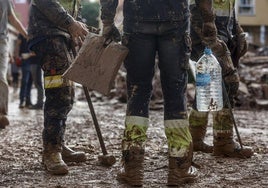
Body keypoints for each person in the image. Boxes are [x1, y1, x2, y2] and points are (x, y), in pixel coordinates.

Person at [100, 0, 217, 186]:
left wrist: (107, 21)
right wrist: (208, 20)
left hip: (137, 21)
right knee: (176, 92)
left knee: (137, 92)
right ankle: (179, 166)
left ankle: (132, 167)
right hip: (175, 21)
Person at [28, 0, 88, 175]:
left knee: (67, 93)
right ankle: (51, 151)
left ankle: (57, 143)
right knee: (59, 92)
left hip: (62, 35)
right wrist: (70, 23)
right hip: (48, 34)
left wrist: (76, 25)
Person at [188, 0, 253, 158]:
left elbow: (227, 8)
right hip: (206, 32)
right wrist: (209, 34)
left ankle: (194, 138)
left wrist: (238, 31)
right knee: (229, 83)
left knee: (207, 86)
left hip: (222, 33)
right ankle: (224, 142)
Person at [0, 0, 28, 129]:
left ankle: (1, 112)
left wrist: (26, 36)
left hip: (1, 43)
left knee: (0, 77)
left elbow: (13, 19)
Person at [14, 34, 33, 108]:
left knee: (30, 81)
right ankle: (22, 101)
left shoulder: (35, 30)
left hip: (33, 60)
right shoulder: (21, 33)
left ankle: (28, 101)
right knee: (25, 80)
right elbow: (17, 44)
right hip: (25, 60)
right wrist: (17, 57)